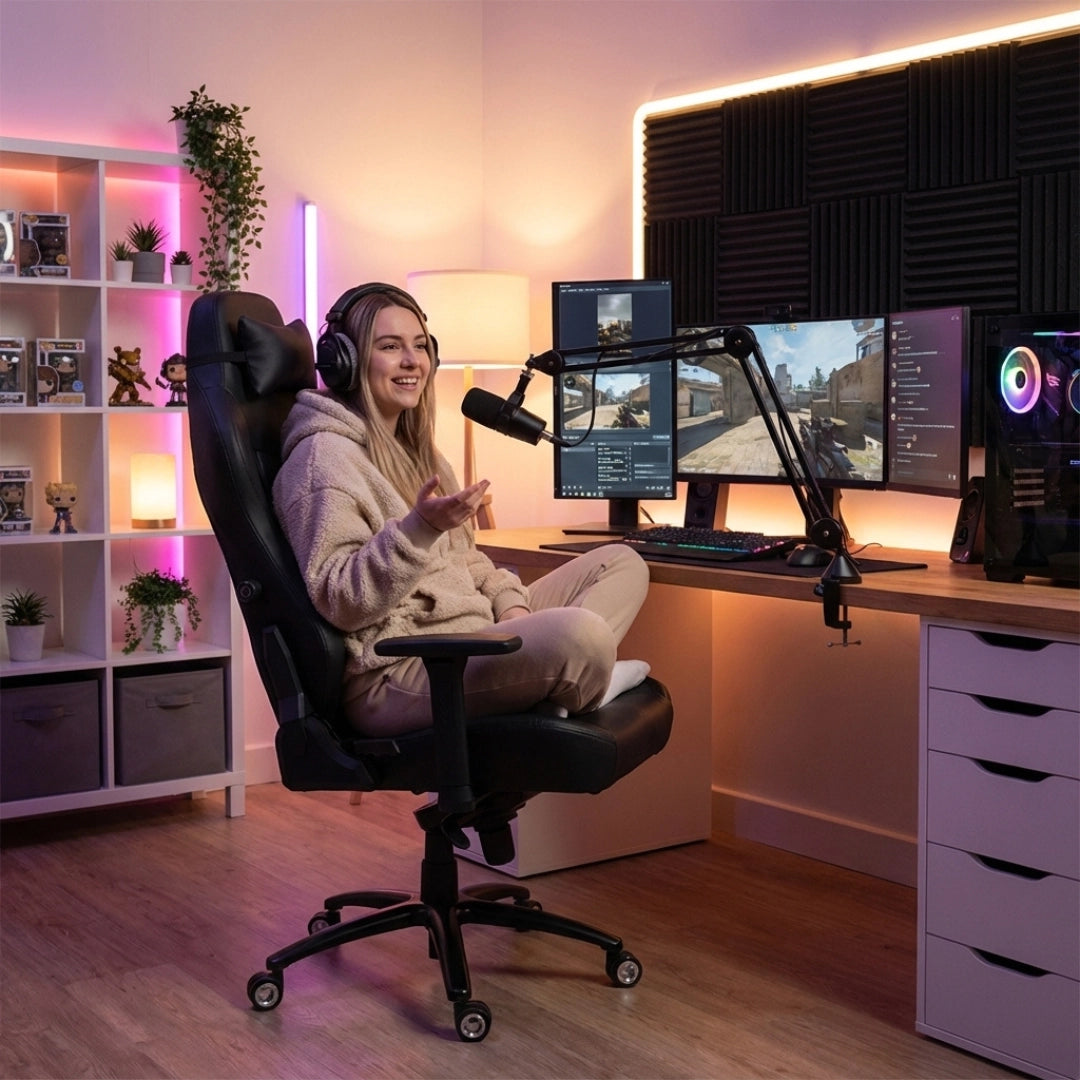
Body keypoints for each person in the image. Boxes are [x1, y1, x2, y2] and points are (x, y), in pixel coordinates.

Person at [272, 282, 651, 737]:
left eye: (420, 346)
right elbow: (341, 602)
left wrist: (512, 609)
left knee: (622, 563)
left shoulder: (419, 454)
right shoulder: (322, 460)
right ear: (345, 363)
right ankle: (589, 686)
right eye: (390, 347)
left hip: (471, 634)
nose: (412, 361)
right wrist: (417, 531)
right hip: (404, 668)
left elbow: (466, 561)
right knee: (582, 635)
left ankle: (561, 686)